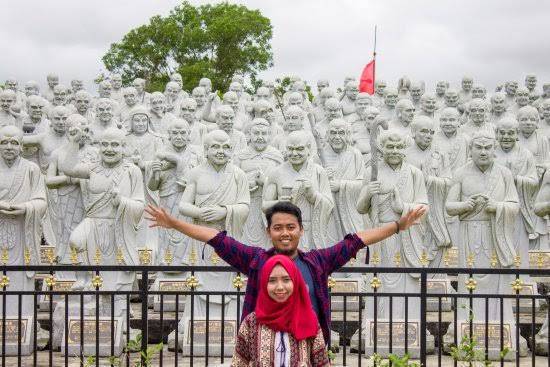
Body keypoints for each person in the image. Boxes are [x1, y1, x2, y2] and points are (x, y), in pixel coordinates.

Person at [145, 200, 425, 343]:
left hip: (308, 345)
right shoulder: (256, 261)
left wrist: (397, 227)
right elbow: (216, 239)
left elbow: (356, 241)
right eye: (278, 228)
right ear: (269, 232)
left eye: (291, 227)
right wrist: (174, 223)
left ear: (301, 230)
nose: (285, 233)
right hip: (265, 346)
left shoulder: (317, 262)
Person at [231, 255, 329, 366]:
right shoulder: (251, 322)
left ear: (295, 281)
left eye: (286, 280)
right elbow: (239, 363)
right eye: (272, 281)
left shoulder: (308, 319)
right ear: (264, 283)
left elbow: (322, 364)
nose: (280, 287)